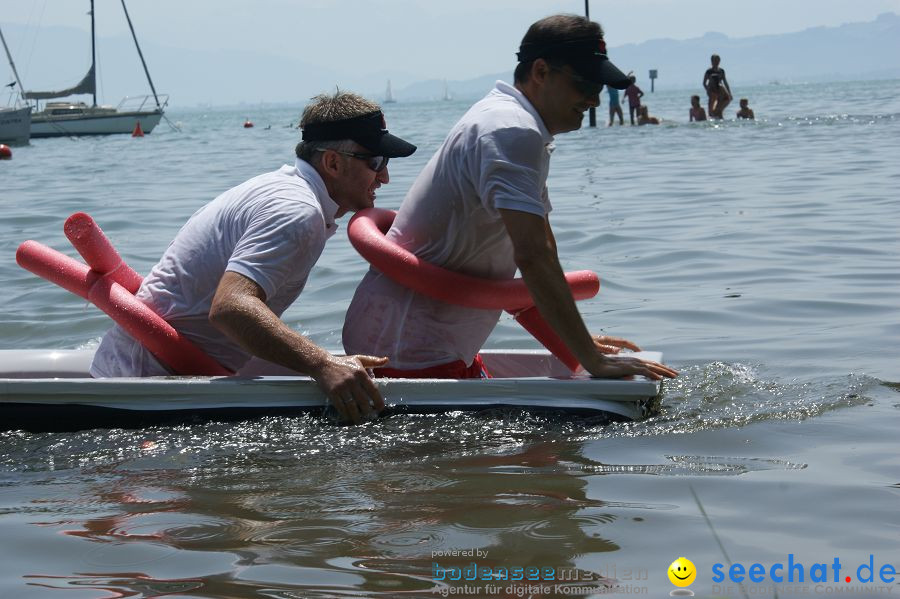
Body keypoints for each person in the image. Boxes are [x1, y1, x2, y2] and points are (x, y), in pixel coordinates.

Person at [342, 14, 677, 383]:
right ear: (540, 71)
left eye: (598, 86)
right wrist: (592, 362)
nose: (594, 99)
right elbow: (534, 258)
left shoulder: (514, 124)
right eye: (583, 83)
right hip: (409, 356)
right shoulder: (512, 131)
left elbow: (539, 259)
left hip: (420, 345)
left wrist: (579, 346)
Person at [91, 91, 417, 424]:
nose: (385, 177)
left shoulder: (284, 189)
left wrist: (326, 362)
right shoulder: (298, 212)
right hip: (144, 387)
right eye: (375, 163)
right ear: (332, 162)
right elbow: (231, 308)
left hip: (145, 368)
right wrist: (322, 364)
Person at [703, 54, 732, 119]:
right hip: (712, 90)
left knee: (725, 101)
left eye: (718, 60)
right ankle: (713, 116)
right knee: (711, 109)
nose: (716, 62)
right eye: (715, 60)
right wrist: (708, 91)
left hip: (720, 90)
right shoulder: (709, 71)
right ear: (712, 61)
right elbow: (704, 83)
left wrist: (729, 93)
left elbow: (725, 82)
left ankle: (718, 114)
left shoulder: (721, 71)